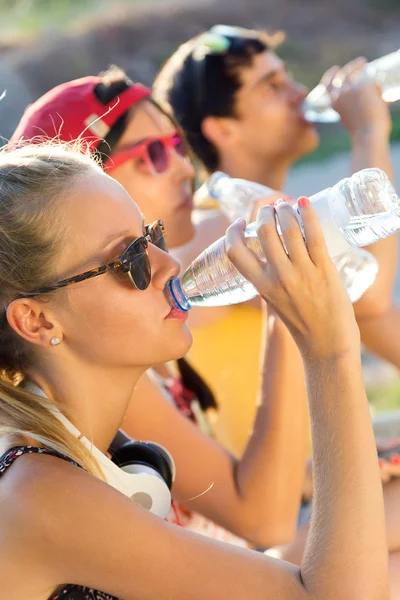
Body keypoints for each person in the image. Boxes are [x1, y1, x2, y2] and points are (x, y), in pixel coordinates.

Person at [0, 141, 389, 599]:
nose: (170, 264)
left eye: (153, 238)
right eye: (131, 260)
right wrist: (330, 351)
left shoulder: (84, 459)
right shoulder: (43, 497)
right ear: (38, 320)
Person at [10, 70, 309, 548]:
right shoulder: (96, 369)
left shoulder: (148, 316)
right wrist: (302, 328)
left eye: (175, 142)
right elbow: (262, 519)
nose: (184, 167)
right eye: (152, 153)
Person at [153, 24, 400, 455]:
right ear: (222, 130)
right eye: (272, 86)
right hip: (295, 508)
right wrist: (368, 134)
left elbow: (374, 316)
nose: (299, 93)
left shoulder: (280, 214)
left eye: (287, 77)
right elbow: (369, 296)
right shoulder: (217, 227)